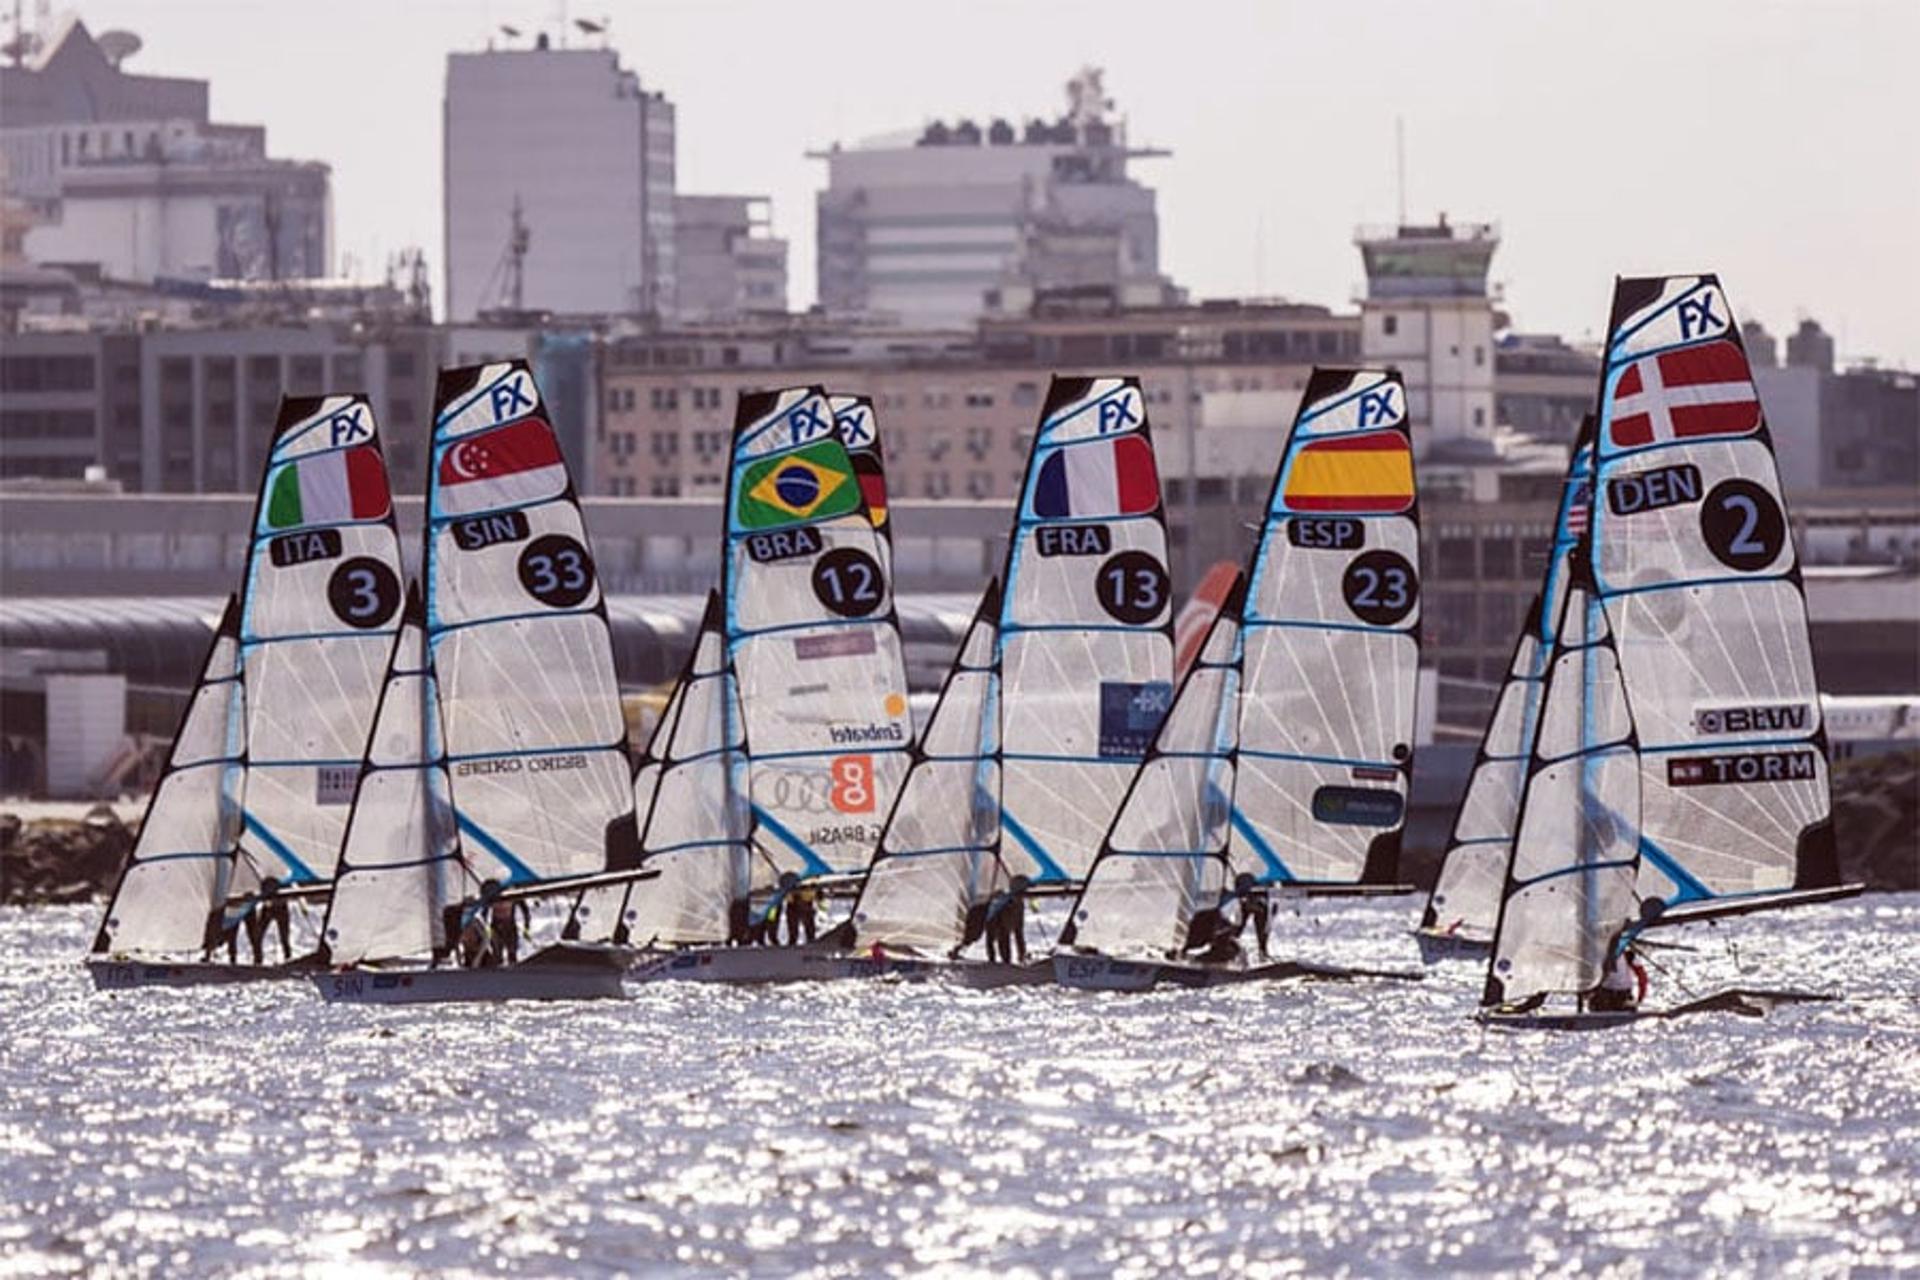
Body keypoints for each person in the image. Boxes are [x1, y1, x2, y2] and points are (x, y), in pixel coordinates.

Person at [1590, 935, 1649, 1013]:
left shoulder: (1629, 955)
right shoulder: (1600, 955)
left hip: (1623, 994)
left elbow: (1642, 976)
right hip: (1605, 993)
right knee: (1594, 1003)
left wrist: (1640, 998)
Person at [243, 876, 292, 965]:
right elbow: (257, 891)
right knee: (258, 935)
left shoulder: (283, 876)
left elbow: (287, 892)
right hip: (268, 908)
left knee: (284, 937)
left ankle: (288, 957)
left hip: (281, 908)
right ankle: (258, 958)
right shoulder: (262, 876)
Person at [984, 875, 1029, 965]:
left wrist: (1022, 955)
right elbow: (1004, 935)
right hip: (994, 922)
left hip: (1004, 921)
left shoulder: (1018, 903)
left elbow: (1019, 933)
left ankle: (1015, 958)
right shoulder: (1006, 903)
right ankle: (997, 961)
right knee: (999, 937)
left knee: (1011, 934)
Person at [1231, 872, 1271, 961]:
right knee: (1239, 925)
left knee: (1261, 924)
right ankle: (1262, 951)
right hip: (1248, 897)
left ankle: (1262, 951)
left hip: (1254, 897)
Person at [785, 880, 819, 946]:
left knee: (809, 929)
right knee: (795, 929)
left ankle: (810, 942)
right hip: (795, 905)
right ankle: (794, 943)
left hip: (802, 904)